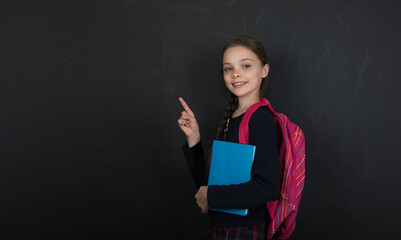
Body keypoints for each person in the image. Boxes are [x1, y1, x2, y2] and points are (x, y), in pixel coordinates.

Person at [177, 35, 280, 239]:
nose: (236, 74)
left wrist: (211, 196)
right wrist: (194, 140)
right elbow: (207, 188)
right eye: (228, 68)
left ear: (264, 70)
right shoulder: (231, 119)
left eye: (246, 66)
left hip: (243, 231)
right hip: (222, 228)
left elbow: (268, 188)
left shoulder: (260, 119)